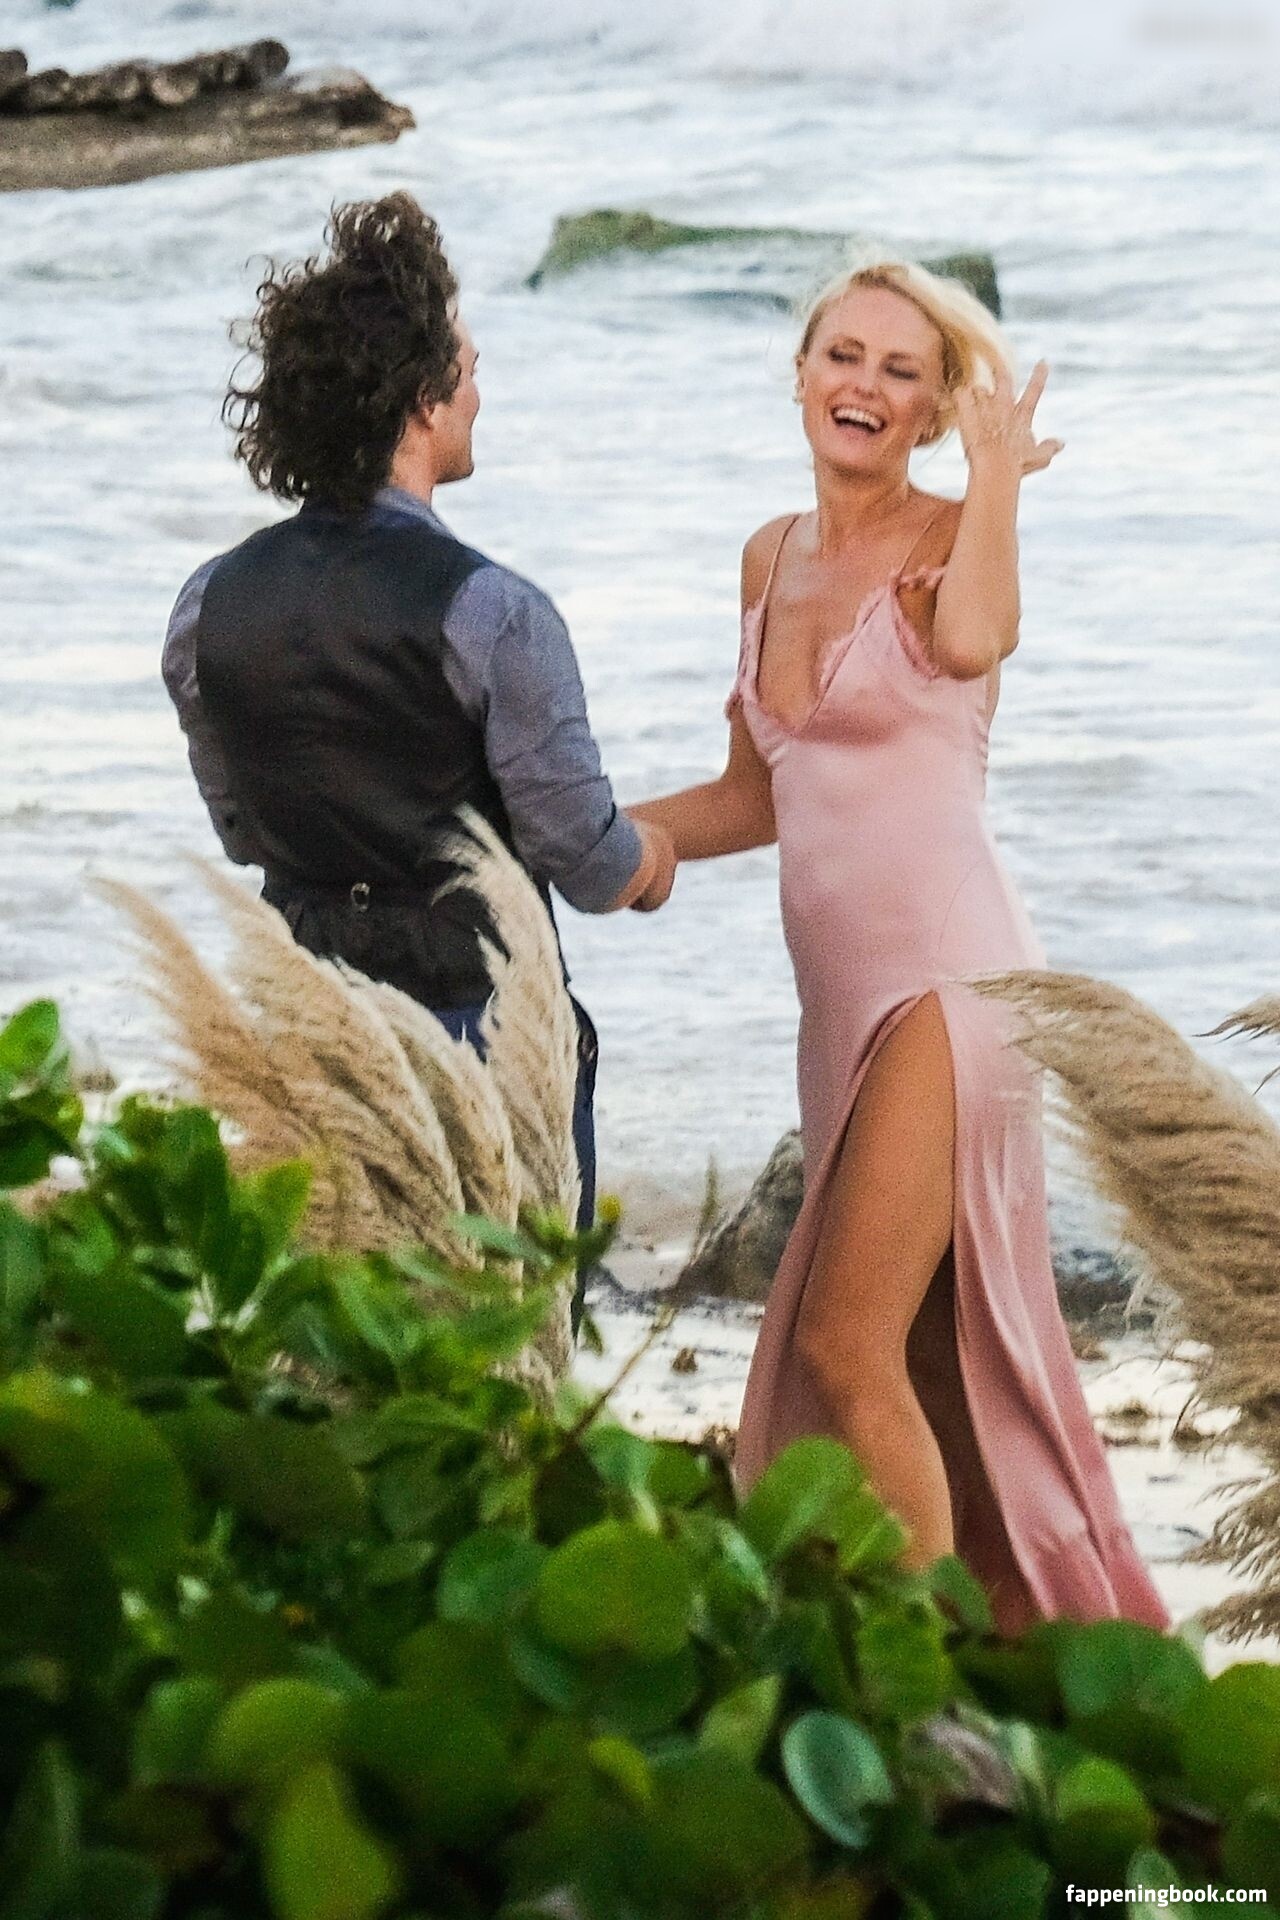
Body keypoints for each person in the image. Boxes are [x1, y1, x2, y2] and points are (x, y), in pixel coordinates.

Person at [629, 257, 1169, 1633]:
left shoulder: (948, 539)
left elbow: (979, 638)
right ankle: (1030, 1652)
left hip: (951, 988)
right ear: (799, 373)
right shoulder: (768, 557)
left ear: (932, 410)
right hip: (838, 1016)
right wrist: (591, 832)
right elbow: (757, 792)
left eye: (899, 370)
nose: (862, 385)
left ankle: (923, 1687)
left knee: (840, 1340)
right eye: (843, 355)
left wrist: (994, 486)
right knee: (930, 1366)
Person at [162, 193, 674, 1327]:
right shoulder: (495, 610)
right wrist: (655, 860)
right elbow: (587, 863)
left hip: (309, 1020)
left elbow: (240, 830)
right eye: (468, 371)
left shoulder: (207, 605)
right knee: (505, 1346)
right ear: (422, 400)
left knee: (327, 1347)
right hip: (475, 1032)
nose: (479, 393)